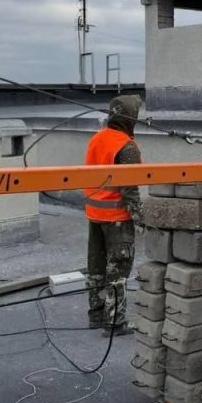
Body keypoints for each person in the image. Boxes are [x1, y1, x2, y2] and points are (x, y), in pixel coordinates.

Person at [84, 94, 143, 334]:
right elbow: (130, 190)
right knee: (118, 271)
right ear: (131, 117)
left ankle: (96, 315)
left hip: (94, 215)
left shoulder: (97, 139)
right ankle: (115, 323)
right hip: (117, 219)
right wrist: (141, 219)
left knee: (96, 268)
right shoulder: (126, 146)